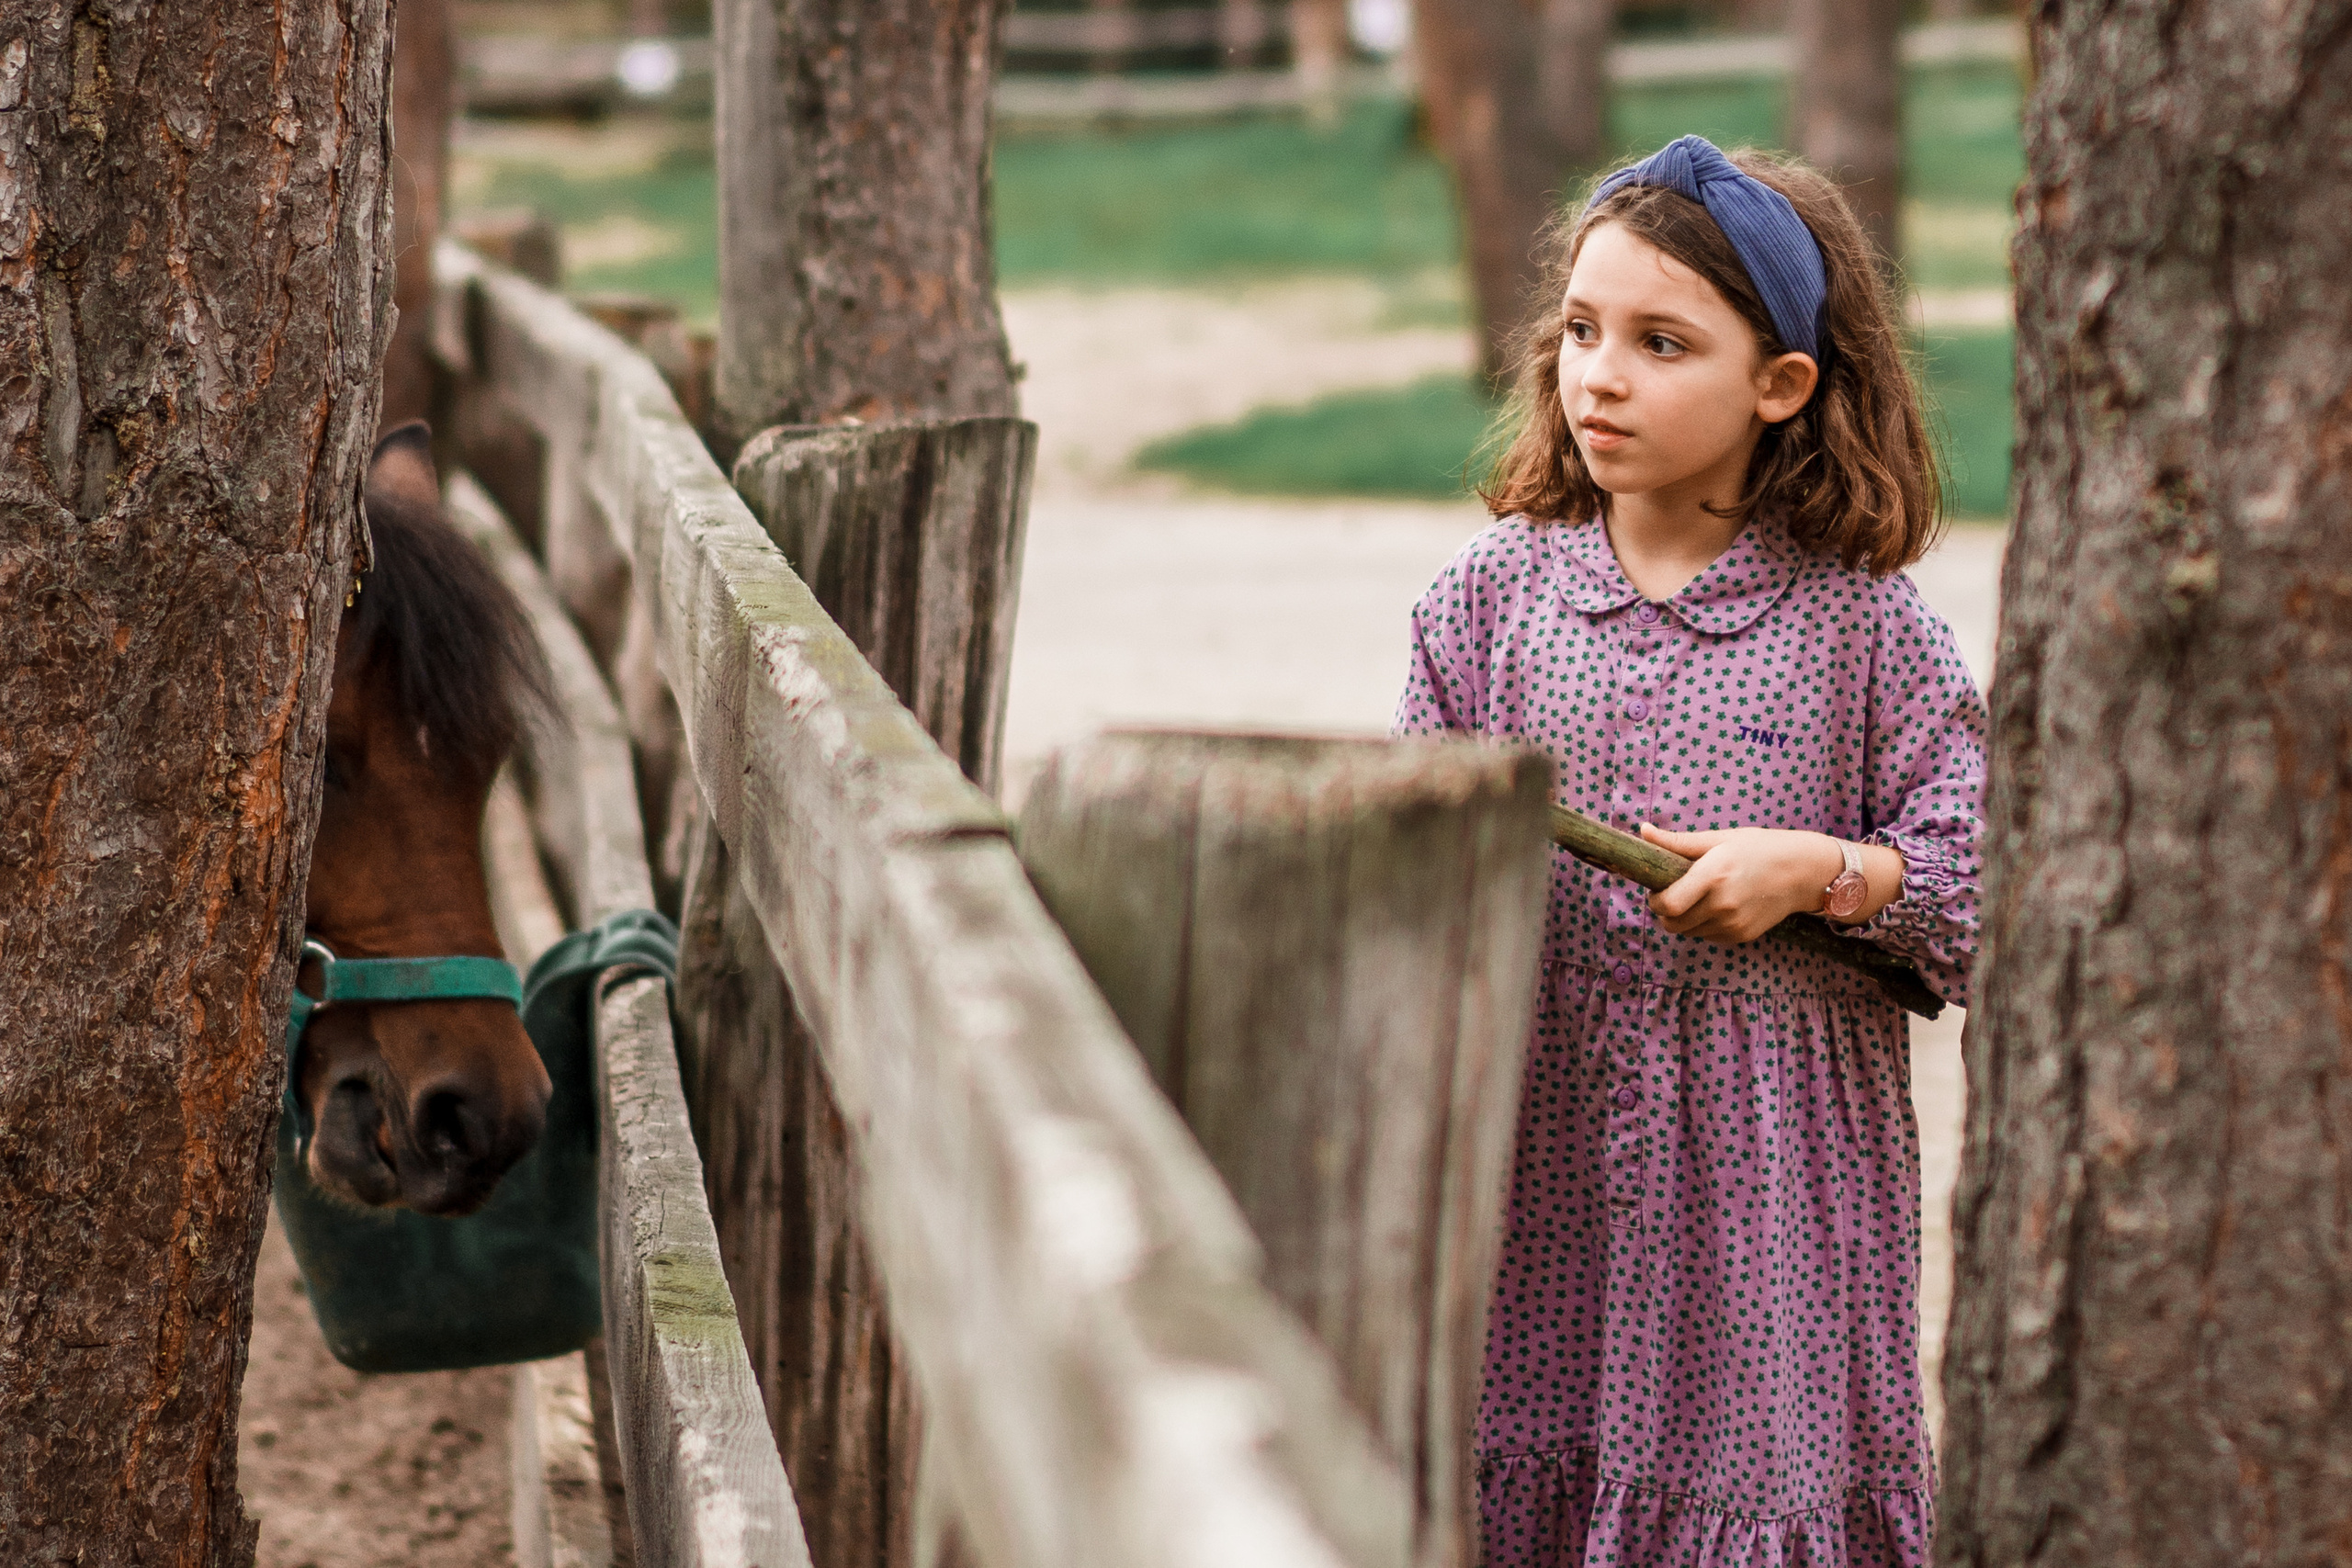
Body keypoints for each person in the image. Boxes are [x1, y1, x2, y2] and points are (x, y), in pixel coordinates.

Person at [1396, 136, 1985, 1567]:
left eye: (1662, 344)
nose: (1600, 376)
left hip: (1769, 1181)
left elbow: (1973, 880)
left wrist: (1820, 872)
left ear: (1780, 386)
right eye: (1582, 332)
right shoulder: (1487, 602)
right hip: (1542, 1156)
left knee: (1746, 1488)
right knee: (1525, 1458)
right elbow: (1412, 870)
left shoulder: (1864, 627)